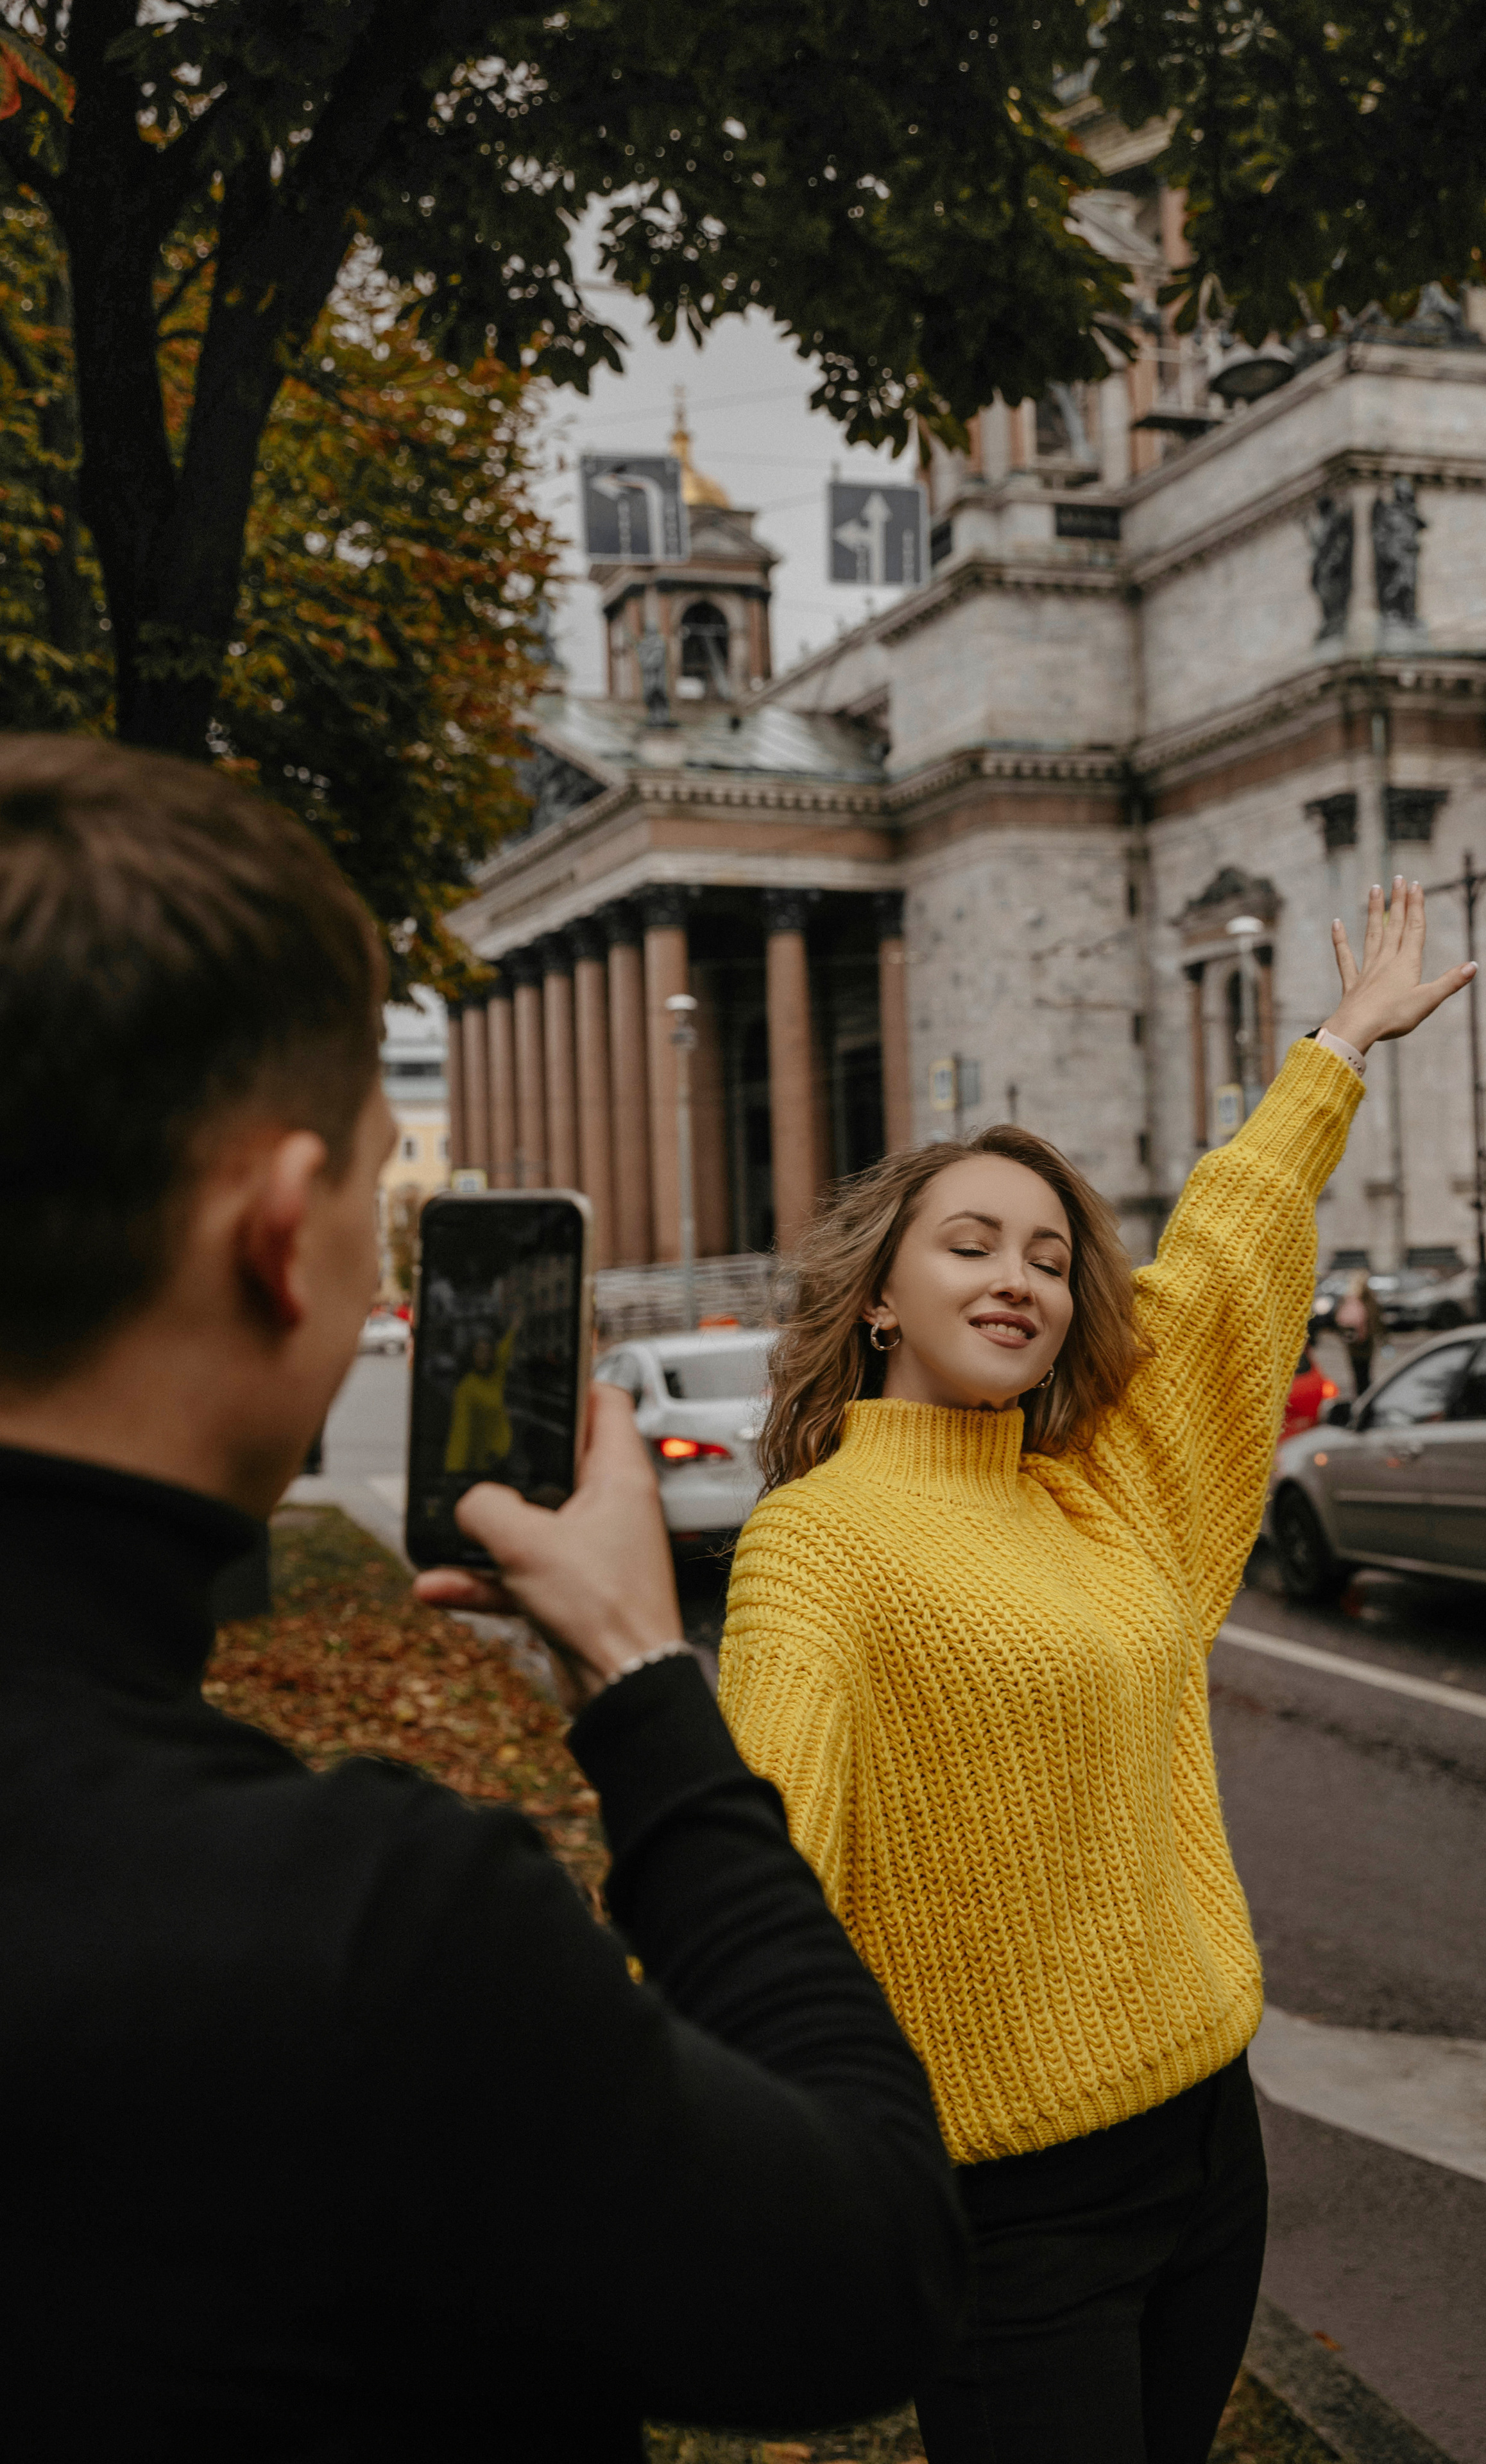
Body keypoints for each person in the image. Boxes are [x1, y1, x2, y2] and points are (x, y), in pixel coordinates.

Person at [0, 737, 965, 2458]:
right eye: (382, 1185)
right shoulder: (367, 1935)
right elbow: (868, 2264)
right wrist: (643, 1677)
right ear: (282, 1236)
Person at [719, 878, 1474, 2464]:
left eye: (1048, 1257)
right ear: (876, 1299)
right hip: (1010, 2208)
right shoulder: (817, 1543)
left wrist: (1332, 1050)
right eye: (971, 1243)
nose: (1017, 1276)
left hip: (1208, 2140)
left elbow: (1214, 1284)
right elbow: (760, 1866)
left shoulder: (1091, 1487)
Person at [443, 1320, 518, 1472]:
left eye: (488, 1351)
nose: (484, 1356)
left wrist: (516, 1324)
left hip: (504, 1455)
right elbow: (460, 1431)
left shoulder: (496, 1377)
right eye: (479, 1351)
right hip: (486, 1463)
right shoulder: (466, 1388)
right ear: (472, 1355)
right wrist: (453, 1470)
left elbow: (504, 1350)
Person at [1335, 1269, 1384, 1397]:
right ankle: (1365, 1399)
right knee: (1364, 1373)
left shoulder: (1349, 1298)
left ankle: (1363, 1398)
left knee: (1359, 1373)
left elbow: (1340, 1319)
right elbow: (1376, 1319)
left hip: (1354, 1341)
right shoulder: (1366, 1298)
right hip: (1364, 1341)